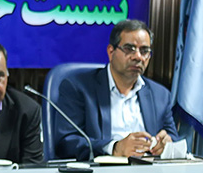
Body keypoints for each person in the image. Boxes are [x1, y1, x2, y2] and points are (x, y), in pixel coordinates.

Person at [54, 19, 179, 160]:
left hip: (149, 170)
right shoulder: (78, 88)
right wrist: (115, 148)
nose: (138, 57)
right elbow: (66, 142)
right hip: (100, 170)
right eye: (129, 48)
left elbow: (173, 139)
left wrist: (167, 144)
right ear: (111, 51)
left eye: (144, 51)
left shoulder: (160, 95)